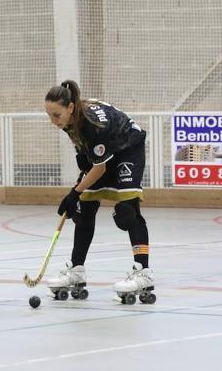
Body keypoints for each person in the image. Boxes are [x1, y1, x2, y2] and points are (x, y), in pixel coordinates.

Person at [44, 80, 156, 304]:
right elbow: (90, 159)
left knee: (127, 210)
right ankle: (76, 269)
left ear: (70, 108)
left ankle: (143, 272)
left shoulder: (93, 124)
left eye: (56, 115)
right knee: (84, 209)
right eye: (49, 115)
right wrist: (78, 192)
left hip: (128, 150)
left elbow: (100, 168)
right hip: (107, 153)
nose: (53, 121)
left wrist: (73, 192)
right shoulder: (69, 121)